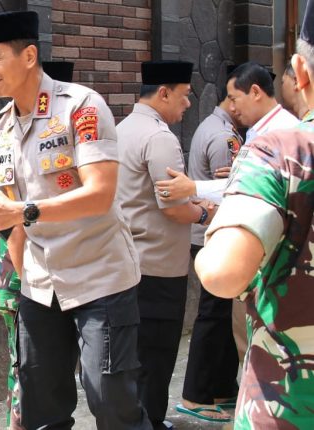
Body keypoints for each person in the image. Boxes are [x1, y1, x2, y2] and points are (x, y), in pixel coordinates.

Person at [0, 11, 150, 429]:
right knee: (40, 407)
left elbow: (100, 193)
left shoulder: (81, 107)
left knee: (111, 401)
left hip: (99, 278)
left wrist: (22, 210)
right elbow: (9, 210)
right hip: (39, 285)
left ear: (29, 56)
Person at [194, 3, 314, 426]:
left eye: (235, 97)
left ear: (300, 72)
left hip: (292, 401)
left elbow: (223, 272)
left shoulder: (280, 149)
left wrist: (214, 230)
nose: (232, 106)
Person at [0, 58, 74, 430]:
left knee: (35, 367)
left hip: (50, 270)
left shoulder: (71, 122)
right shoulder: (2, 130)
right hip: (19, 272)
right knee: (28, 366)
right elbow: (6, 211)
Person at [116, 60, 217, 430]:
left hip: (127, 260)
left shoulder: (121, 128)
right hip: (158, 266)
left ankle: (134, 419)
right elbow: (174, 208)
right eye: (184, 95)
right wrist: (205, 214)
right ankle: (151, 422)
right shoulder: (160, 138)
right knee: (156, 355)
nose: (187, 104)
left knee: (133, 356)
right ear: (163, 93)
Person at [177, 83, 243, 423]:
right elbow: (229, 194)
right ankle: (196, 395)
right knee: (213, 316)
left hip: (209, 235)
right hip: (213, 235)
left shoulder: (214, 127)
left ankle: (221, 389)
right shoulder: (224, 138)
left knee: (221, 315)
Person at [155, 62, 300, 204]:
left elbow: (253, 189)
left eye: (234, 99)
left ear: (255, 93)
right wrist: (240, 174)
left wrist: (193, 188)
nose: (232, 108)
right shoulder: (257, 130)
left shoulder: (286, 132)